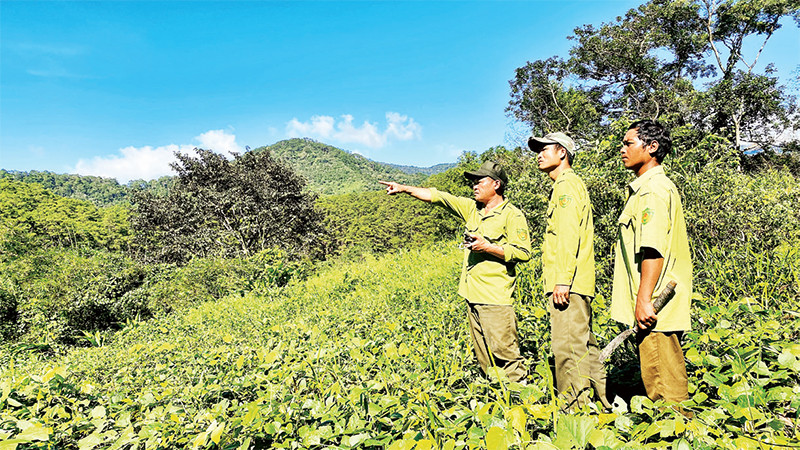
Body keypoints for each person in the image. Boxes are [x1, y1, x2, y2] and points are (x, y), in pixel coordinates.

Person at [379, 161, 532, 382]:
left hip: (495, 297)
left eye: (480, 181)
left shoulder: (512, 215)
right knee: (484, 357)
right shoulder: (473, 209)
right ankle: (497, 399)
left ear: (496, 184)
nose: (474, 186)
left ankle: (525, 402)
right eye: (473, 183)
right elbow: (438, 197)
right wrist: (404, 188)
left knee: (506, 355)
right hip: (472, 294)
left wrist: (486, 246)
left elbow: (523, 252)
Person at [611, 119, 692, 402]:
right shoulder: (652, 187)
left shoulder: (652, 191)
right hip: (656, 301)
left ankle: (675, 438)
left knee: (664, 387)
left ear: (652, 147)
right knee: (662, 374)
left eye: (628, 143)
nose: (622, 149)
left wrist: (644, 299)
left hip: (656, 303)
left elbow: (653, 249)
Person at [528, 132, 608, 409]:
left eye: (544, 149)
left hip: (568, 284)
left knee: (567, 351)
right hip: (575, 282)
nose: (538, 154)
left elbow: (567, 235)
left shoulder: (565, 186)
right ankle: (602, 404)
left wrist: (562, 280)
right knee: (584, 346)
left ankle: (574, 412)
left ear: (562, 152)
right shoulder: (567, 185)